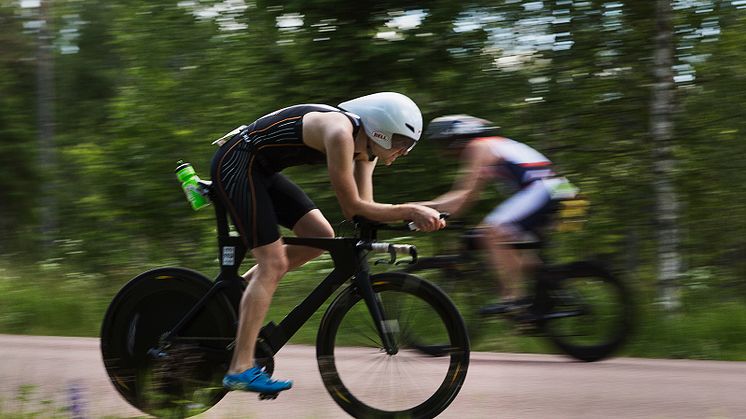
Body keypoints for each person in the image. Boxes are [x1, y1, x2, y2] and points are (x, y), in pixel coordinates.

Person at [210, 92, 446, 395]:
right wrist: (410, 209)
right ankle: (240, 368)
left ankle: (233, 298)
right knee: (274, 262)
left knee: (321, 237)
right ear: (380, 130)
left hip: (261, 170)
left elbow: (367, 209)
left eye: (409, 146)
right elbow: (352, 208)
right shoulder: (340, 134)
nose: (404, 151)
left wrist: (416, 215)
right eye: (401, 143)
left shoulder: (366, 151)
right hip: (236, 162)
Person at [416, 115, 578, 315]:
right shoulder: (497, 144)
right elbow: (466, 199)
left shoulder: (479, 146)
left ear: (455, 138)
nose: (442, 150)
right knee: (522, 254)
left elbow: (463, 196)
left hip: (546, 189)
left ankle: (514, 299)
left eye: (442, 143)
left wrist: (416, 208)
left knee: (492, 232)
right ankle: (544, 303)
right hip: (564, 190)